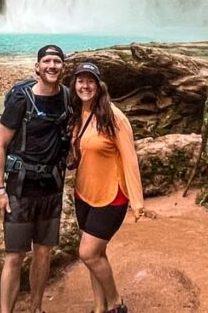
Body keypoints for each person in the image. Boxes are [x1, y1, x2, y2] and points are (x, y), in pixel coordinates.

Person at [0, 44, 73, 313]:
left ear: (63, 67)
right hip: (20, 189)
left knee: (43, 252)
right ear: (37, 67)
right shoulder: (21, 100)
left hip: (51, 189)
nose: (52, 66)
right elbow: (1, 144)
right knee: (14, 256)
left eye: (57, 61)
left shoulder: (66, 98)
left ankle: (37, 308)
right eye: (47, 61)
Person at [69, 62, 145, 313]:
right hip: (84, 193)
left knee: (88, 253)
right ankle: (99, 308)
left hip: (112, 196)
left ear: (99, 85)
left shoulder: (114, 117)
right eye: (81, 81)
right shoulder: (77, 112)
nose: (85, 86)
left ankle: (116, 304)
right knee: (97, 255)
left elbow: (130, 159)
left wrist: (137, 203)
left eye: (90, 81)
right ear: (75, 85)